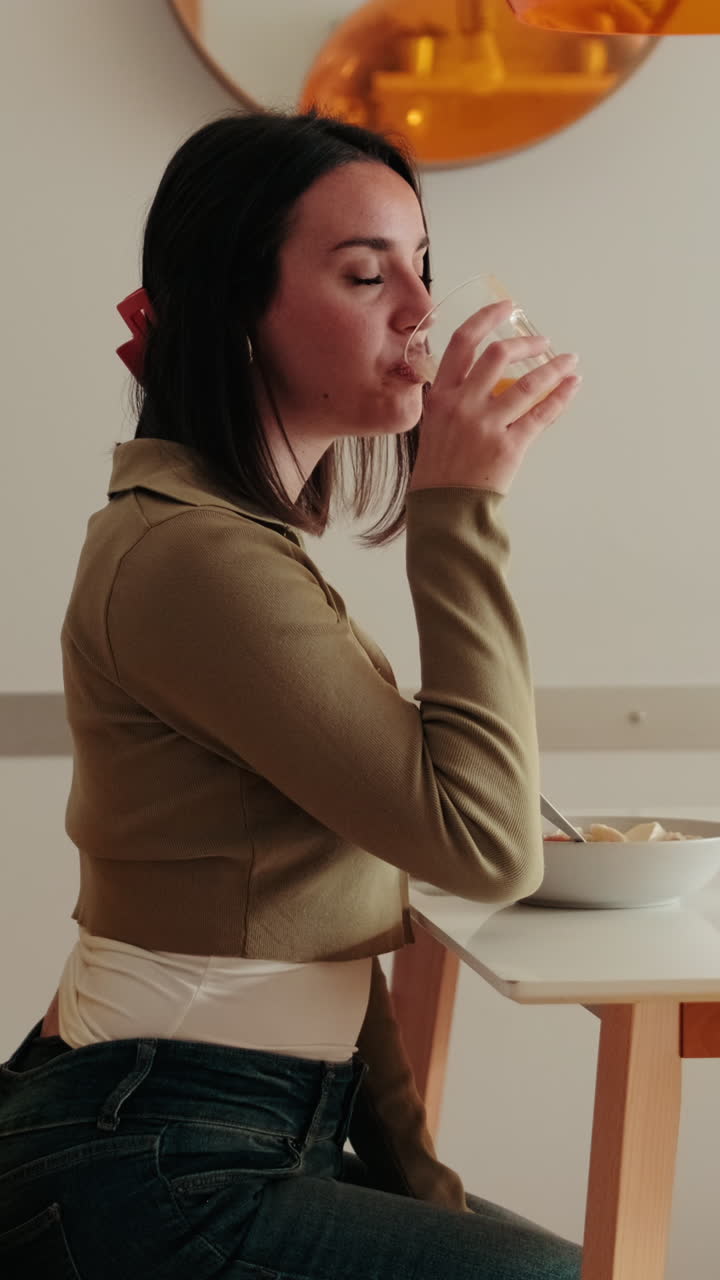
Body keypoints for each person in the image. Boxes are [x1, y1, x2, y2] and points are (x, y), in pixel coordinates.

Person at [0, 110, 583, 1279]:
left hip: (227, 1131)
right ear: (235, 311)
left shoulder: (233, 548)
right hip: (155, 1153)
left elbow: (325, 936)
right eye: (368, 275)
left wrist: (428, 1190)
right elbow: (483, 843)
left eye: (421, 266)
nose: (423, 311)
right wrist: (459, 510)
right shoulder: (192, 559)